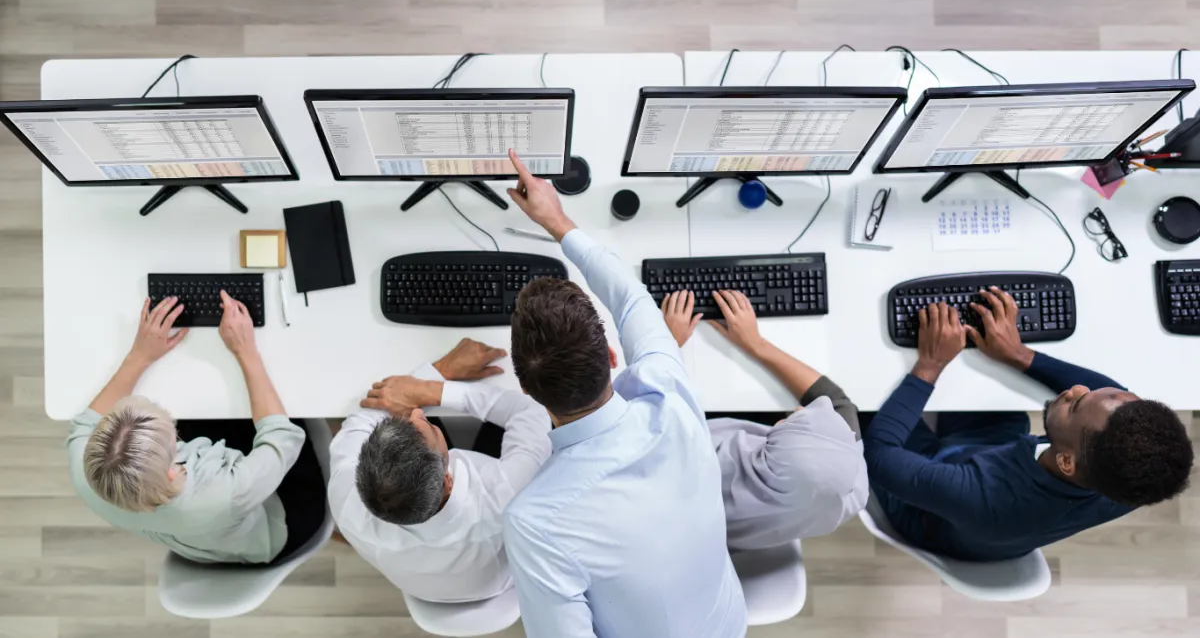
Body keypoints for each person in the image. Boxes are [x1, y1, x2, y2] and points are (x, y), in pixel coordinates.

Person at [500, 149, 746, 638]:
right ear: (613, 356)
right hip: (725, 621)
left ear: (527, 388)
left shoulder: (536, 523)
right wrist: (558, 221)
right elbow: (631, 297)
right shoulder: (668, 393)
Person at [864, 290, 1194, 562]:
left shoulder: (985, 498)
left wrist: (930, 364)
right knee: (981, 377)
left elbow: (879, 455)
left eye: (1076, 404)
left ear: (1067, 460)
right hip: (996, 458)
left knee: (861, 396)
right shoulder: (1132, 479)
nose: (1075, 389)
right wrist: (1019, 355)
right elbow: (1113, 397)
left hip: (932, 510)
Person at [66, 292, 326, 565]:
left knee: (207, 408)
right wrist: (245, 350)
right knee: (290, 400)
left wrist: (140, 356)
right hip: (280, 524)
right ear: (174, 464)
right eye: (172, 432)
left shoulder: (85, 474)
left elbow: (86, 422)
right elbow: (283, 438)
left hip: (202, 535)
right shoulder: (223, 493)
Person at [327, 339, 551, 603]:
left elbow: (364, 416)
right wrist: (432, 387)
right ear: (447, 480)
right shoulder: (507, 499)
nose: (417, 413)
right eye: (430, 429)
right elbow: (531, 410)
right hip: (496, 581)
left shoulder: (345, 497)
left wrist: (432, 378)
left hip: (422, 585)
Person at [661, 289, 867, 549]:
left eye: (797, 424)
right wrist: (754, 343)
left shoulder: (689, 462)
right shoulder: (852, 492)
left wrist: (665, 346)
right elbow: (838, 403)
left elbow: (654, 409)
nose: (802, 410)